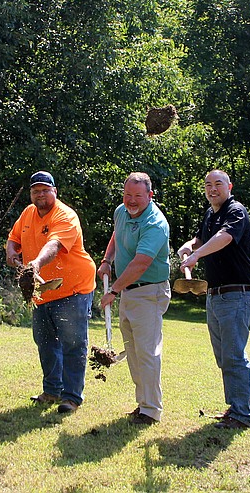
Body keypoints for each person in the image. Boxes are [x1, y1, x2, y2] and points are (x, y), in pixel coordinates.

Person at [6, 171, 96, 413]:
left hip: (73, 288)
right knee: (45, 342)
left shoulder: (65, 216)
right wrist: (12, 251)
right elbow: (14, 238)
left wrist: (35, 263)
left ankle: (72, 397)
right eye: (36, 190)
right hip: (42, 290)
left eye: (45, 190)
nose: (41, 194)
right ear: (31, 194)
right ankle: (52, 390)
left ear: (55, 192)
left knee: (72, 343)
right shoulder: (27, 213)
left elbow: (54, 245)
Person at [178, 170, 250, 429]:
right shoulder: (211, 213)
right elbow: (202, 237)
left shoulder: (236, 211)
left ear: (229, 186)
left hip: (236, 294)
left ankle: (241, 414)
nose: (213, 189)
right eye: (208, 184)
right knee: (224, 356)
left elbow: (225, 238)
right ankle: (237, 407)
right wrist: (190, 245)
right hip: (215, 294)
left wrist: (196, 254)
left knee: (234, 355)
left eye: (218, 184)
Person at [99, 172, 171, 425]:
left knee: (147, 352)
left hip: (149, 291)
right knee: (133, 351)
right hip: (129, 291)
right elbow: (116, 236)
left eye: (138, 196)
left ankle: (151, 411)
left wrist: (113, 291)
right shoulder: (122, 211)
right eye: (128, 195)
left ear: (150, 196)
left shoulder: (155, 223)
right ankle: (143, 405)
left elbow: (141, 263)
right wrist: (107, 260)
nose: (131, 201)